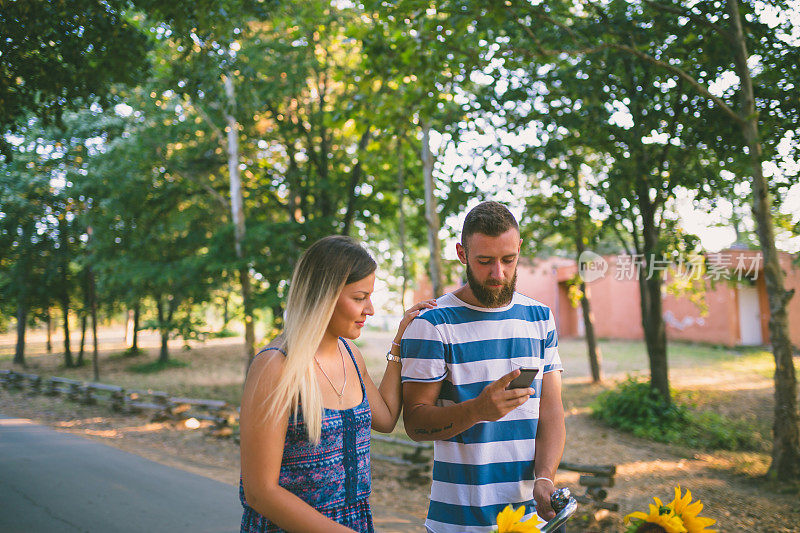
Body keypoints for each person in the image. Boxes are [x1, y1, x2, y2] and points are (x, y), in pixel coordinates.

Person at [239, 235, 436, 532]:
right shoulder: (275, 367)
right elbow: (260, 492)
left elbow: (385, 418)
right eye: (359, 298)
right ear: (323, 296)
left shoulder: (351, 355)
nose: (369, 309)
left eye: (370, 297)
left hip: (354, 521)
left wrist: (399, 344)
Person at [401, 201, 566, 533]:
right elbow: (415, 424)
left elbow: (550, 410)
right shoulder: (432, 324)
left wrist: (545, 476)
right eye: (485, 261)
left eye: (508, 259)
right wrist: (478, 409)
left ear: (519, 248)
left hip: (529, 522)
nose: (498, 274)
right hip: (457, 523)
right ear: (462, 254)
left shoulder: (540, 318)